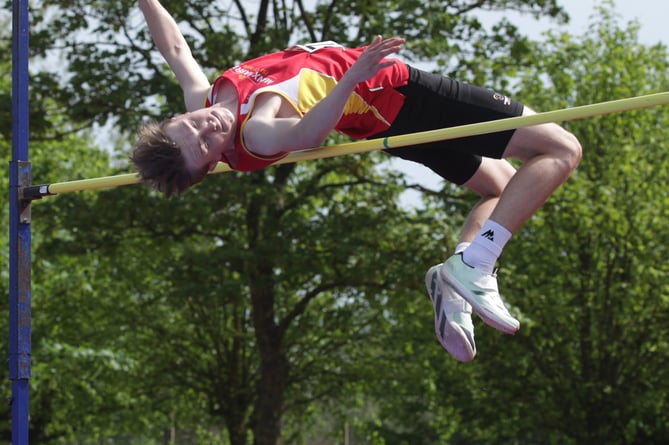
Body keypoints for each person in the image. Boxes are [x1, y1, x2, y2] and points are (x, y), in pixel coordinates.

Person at [133, 0, 582, 362]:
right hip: (401, 94)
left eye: (190, 124)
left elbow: (174, 49)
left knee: (499, 190)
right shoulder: (255, 131)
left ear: (180, 114)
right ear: (213, 163)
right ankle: (477, 264)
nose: (205, 125)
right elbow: (307, 134)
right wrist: (351, 77)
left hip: (384, 123)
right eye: (204, 142)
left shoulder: (205, 96)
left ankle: (454, 279)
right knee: (560, 149)